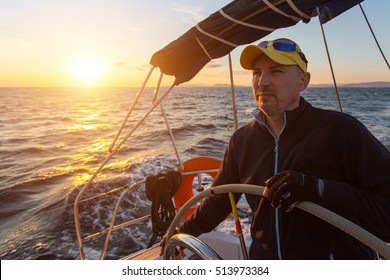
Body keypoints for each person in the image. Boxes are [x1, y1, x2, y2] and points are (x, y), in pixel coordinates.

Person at [163, 38, 390, 259]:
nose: (262, 81)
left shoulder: (341, 130)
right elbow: (220, 201)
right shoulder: (242, 140)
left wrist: (318, 189)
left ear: (303, 81)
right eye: (256, 73)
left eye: (276, 71)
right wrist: (182, 231)